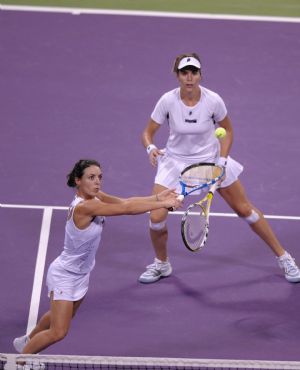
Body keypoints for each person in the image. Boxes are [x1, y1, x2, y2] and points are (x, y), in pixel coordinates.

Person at [138, 52, 300, 284]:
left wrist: (222, 161)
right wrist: (150, 148)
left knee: (245, 210)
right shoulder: (167, 101)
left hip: (211, 161)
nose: (190, 77)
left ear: (200, 75)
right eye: (185, 72)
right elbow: (147, 132)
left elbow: (228, 130)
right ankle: (162, 264)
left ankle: (284, 257)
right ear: (177, 76)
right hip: (174, 163)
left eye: (194, 72)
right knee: (156, 216)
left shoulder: (213, 100)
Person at [13, 159, 182, 355]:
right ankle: (20, 362)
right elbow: (126, 210)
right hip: (64, 275)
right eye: (91, 178)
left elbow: (125, 202)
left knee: (59, 316)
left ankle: (27, 340)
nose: (97, 182)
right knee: (59, 332)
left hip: (81, 274)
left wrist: (156, 199)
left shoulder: (96, 198)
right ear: (78, 181)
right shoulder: (85, 207)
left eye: (99, 177)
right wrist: (164, 204)